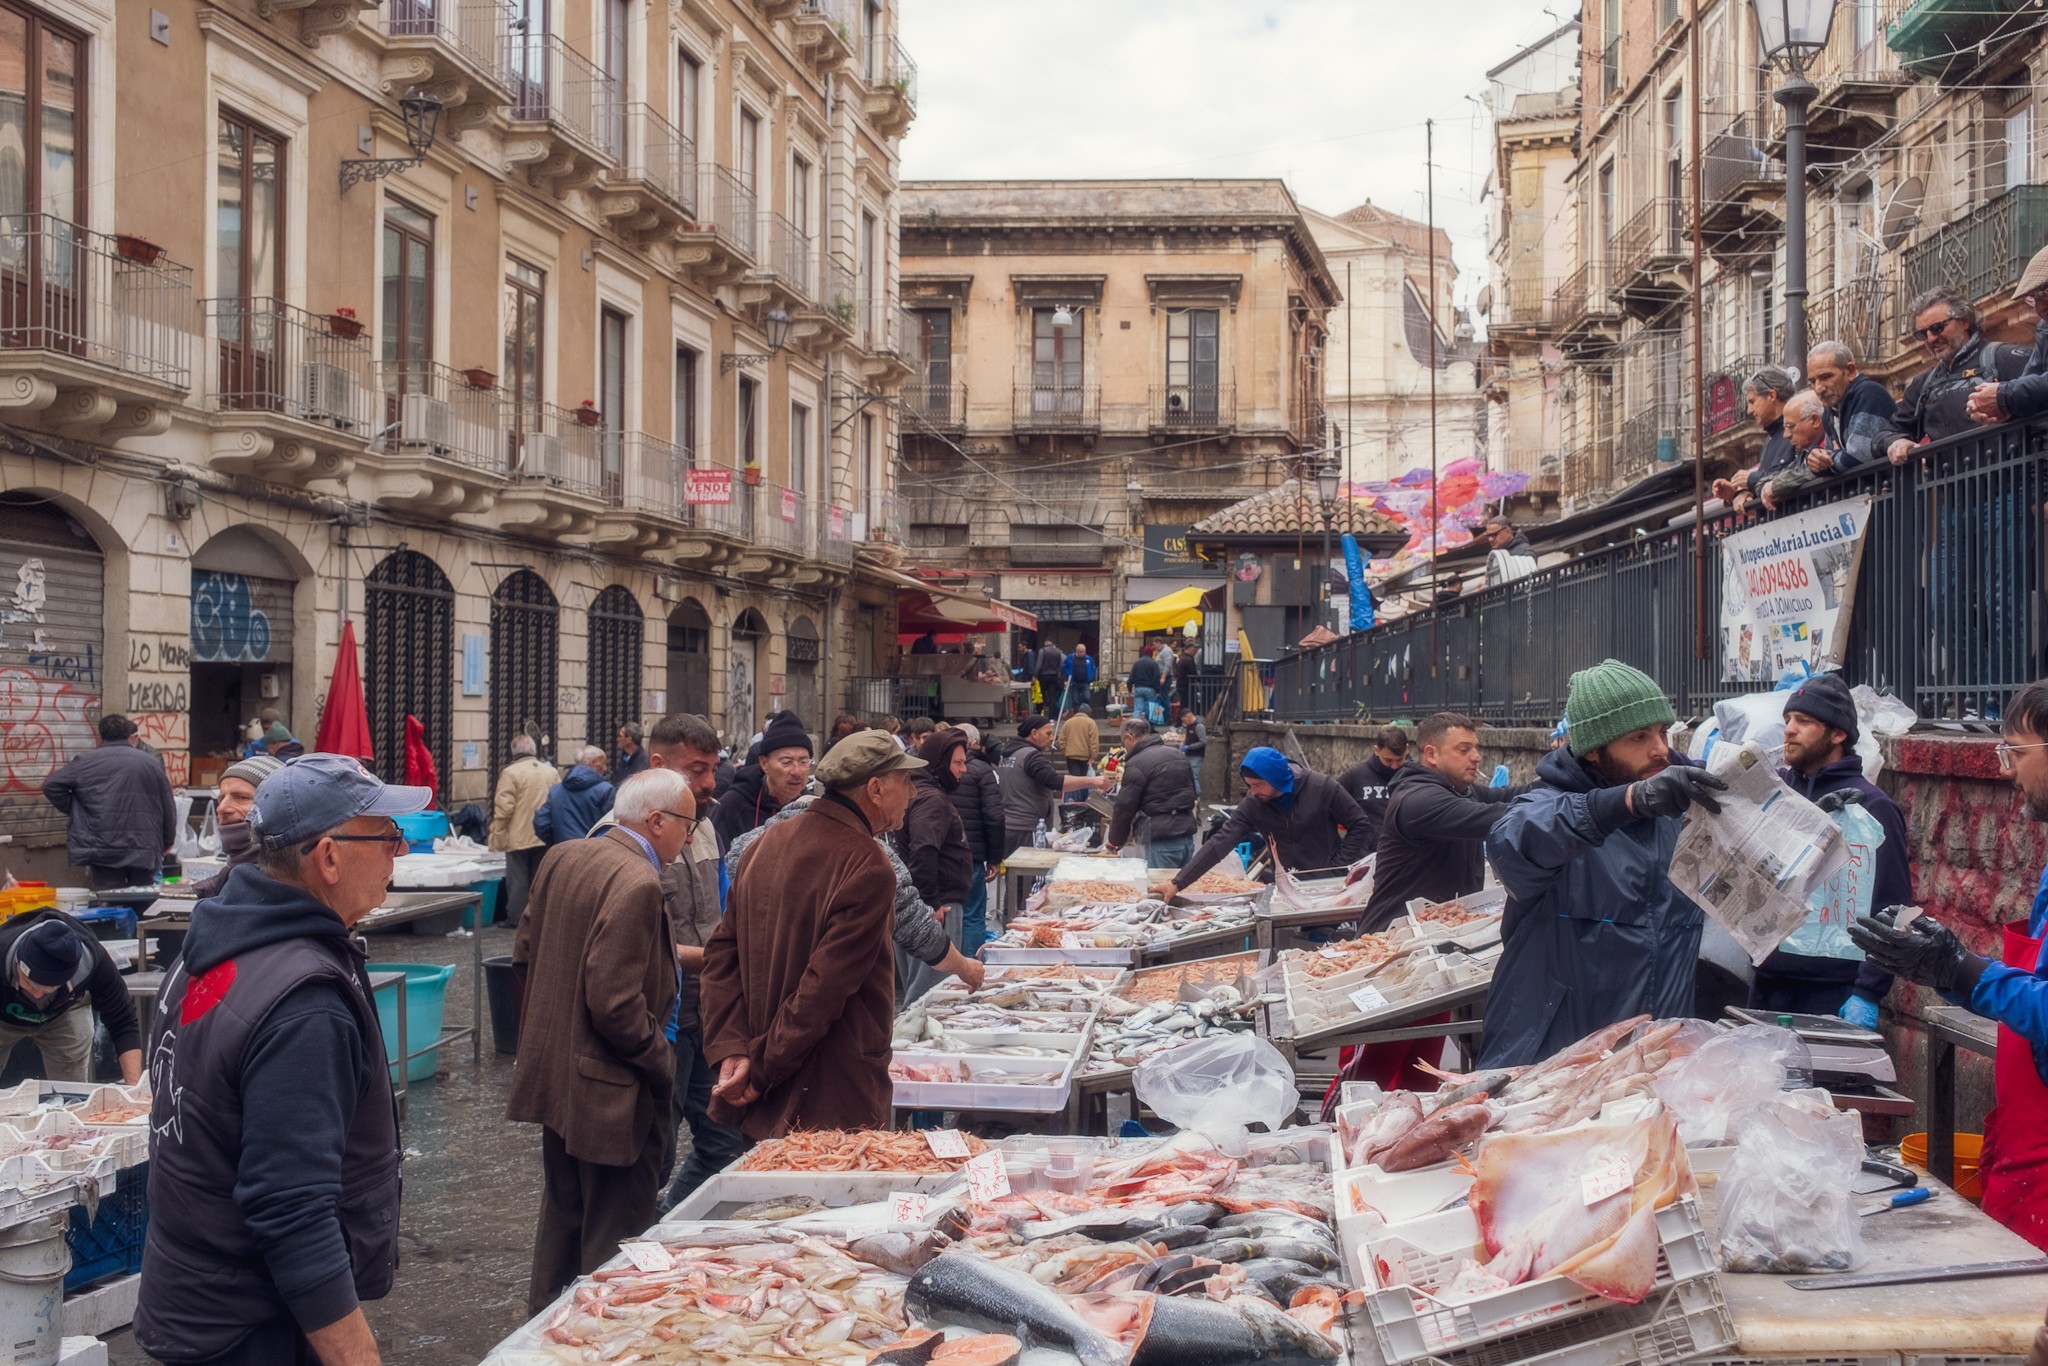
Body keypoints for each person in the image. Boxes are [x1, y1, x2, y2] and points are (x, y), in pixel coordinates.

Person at [138, 753, 430, 1365]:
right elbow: (290, 1208)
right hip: (252, 1327)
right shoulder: (304, 1003)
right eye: (386, 835)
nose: (398, 851)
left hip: (194, 1297)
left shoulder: (217, 939)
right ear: (327, 857)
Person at [1849, 679, 2048, 1249]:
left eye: (2017, 752)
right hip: (2022, 1144)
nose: (2007, 771)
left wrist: (1961, 970)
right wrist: (1946, 968)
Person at [1478, 660, 1728, 1068]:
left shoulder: (1680, 809)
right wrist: (1626, 802)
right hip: (1552, 1061)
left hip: (1653, 1060)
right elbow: (1514, 840)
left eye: (1663, 732)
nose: (1660, 749)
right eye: (1639, 737)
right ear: (1594, 747)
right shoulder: (1545, 803)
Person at [510, 769, 689, 1313]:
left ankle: (544, 1327)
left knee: (563, 1216)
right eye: (687, 822)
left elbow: (524, 954)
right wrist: (661, 1060)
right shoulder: (638, 882)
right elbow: (614, 1003)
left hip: (560, 1078)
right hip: (613, 1090)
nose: (690, 833)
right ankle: (599, 1334)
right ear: (655, 821)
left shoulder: (566, 855)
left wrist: (552, 1032)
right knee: (615, 1233)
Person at [700, 732, 919, 1140]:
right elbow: (821, 992)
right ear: (875, 788)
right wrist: (756, 1069)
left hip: (768, 1070)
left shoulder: (766, 842)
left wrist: (733, 1049)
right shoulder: (869, 865)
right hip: (830, 1087)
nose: (912, 792)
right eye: (905, 781)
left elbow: (720, 957)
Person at [584, 714, 745, 1214]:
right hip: (658, 1023)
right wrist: (711, 957)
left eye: (713, 769)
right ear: (657, 764)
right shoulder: (614, 842)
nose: (710, 783)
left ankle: (670, 1221)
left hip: (708, 1013)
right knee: (653, 1149)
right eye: (698, 770)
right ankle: (640, 1242)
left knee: (725, 1141)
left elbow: (720, 913)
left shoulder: (704, 828)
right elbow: (612, 950)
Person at [1748, 673, 1904, 1026]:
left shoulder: (1872, 808)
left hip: (1834, 991)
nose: (1789, 729)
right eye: (1787, 720)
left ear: (1838, 734)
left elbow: (1890, 908)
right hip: (1768, 985)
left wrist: (1867, 991)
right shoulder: (1777, 794)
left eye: (1803, 721)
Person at [1361, 714, 1525, 935]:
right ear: (1431, 754)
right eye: (1463, 749)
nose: (1476, 757)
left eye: (1476, 748)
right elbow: (1497, 817)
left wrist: (1564, 773)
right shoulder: (1418, 800)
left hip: (1437, 935)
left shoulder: (1463, 791)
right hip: (1393, 940)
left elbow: (1511, 796)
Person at [1152, 746, 1373, 899]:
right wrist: (1177, 883)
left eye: (1258, 785)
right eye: (1249, 785)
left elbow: (1360, 824)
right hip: (1286, 886)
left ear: (1277, 779)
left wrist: (1335, 867)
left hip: (1328, 885)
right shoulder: (1253, 803)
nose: (1252, 791)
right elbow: (1220, 842)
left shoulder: (1322, 787)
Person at [1877, 285, 2033, 462]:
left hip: (2012, 485)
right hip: (1952, 488)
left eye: (1937, 328)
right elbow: (1885, 433)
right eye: (1922, 334)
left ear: (1964, 321)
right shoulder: (1923, 384)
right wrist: (1895, 441)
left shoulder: (2004, 357)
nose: (1930, 339)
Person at [42, 712, 177, 891]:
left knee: (111, 898)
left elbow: (51, 785)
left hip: (102, 846)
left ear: (101, 735)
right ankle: (138, 918)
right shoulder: (150, 763)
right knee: (142, 896)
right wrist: (168, 839)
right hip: (144, 844)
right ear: (129, 734)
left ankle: (117, 919)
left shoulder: (85, 762)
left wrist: (78, 811)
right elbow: (167, 804)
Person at [0, 913, 141, 1083]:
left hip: (63, 1012)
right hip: (3, 1018)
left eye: (48, 989)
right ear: (18, 962)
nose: (37, 995)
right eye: (29, 984)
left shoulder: (94, 962)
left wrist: (135, 1091)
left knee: (71, 1091)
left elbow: (124, 1022)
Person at [894, 730, 974, 1001]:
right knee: (929, 994)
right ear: (940, 763)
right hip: (938, 908)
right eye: (958, 763)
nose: (963, 769)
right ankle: (910, 1042)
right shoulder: (932, 799)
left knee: (920, 988)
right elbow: (923, 849)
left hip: (925, 905)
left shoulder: (925, 793)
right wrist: (932, 903)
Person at [1002, 716, 1108, 858]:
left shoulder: (1008, 755)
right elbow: (1055, 782)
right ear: (1034, 733)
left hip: (1009, 827)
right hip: (1028, 828)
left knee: (1015, 874)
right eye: (1048, 733)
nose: (1052, 738)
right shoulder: (1032, 756)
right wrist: (1093, 781)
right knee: (1032, 875)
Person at [1103, 717, 1199, 870]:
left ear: (1129, 738)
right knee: (1180, 889)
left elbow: (1124, 808)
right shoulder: (1178, 755)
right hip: (1186, 837)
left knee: (1156, 890)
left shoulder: (1137, 763)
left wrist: (1116, 840)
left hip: (1159, 841)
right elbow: (1192, 794)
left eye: (1123, 742)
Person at [708, 711, 810, 852]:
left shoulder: (812, 807)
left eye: (803, 762)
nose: (797, 771)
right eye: (787, 762)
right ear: (764, 763)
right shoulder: (732, 806)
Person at [1968, 244, 2048, 424]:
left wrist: (2004, 396)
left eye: (2045, 292)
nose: (2039, 307)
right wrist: (2000, 408)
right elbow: (2031, 383)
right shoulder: (2045, 328)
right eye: (2033, 297)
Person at [186, 755, 283, 901]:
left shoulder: (287, 882)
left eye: (241, 797)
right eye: (220, 799)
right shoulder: (225, 880)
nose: (222, 808)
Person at [487, 735, 559, 925]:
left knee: (518, 879)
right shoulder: (550, 772)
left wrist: (497, 834)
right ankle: (540, 917)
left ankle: (517, 918)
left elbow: (504, 808)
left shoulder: (510, 773)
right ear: (534, 751)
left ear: (513, 752)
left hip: (518, 835)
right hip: (544, 834)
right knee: (540, 878)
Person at [948, 724, 1005, 951]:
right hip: (971, 855)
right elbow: (994, 817)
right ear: (974, 743)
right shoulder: (982, 770)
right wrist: (994, 857)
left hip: (946, 854)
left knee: (951, 912)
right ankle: (971, 966)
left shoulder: (937, 768)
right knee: (972, 914)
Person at [1710, 367, 1798, 515]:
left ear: (1771, 396)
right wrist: (1737, 494)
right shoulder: (1770, 438)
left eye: (1752, 401)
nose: (1749, 410)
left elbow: (1794, 474)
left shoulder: (1797, 429)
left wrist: (1751, 478)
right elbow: (1768, 489)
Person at [1804, 340, 1897, 473]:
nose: (1819, 388)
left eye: (1826, 377)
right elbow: (1828, 458)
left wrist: (1827, 462)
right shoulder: (1830, 410)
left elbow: (1859, 456)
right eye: (1813, 381)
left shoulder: (1869, 394)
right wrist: (1815, 460)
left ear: (1850, 371)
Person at [1338, 726, 1412, 853]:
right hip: (1366, 856)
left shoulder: (1415, 776)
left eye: (1399, 760)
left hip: (1405, 854)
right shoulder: (1355, 776)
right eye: (1388, 760)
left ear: (1407, 749)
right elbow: (1330, 808)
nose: (1394, 766)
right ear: (1377, 750)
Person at [1752, 390, 1830, 509]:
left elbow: (1815, 470)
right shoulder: (1802, 453)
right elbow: (1762, 484)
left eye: (1791, 426)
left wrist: (1776, 485)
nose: (1786, 435)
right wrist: (1769, 486)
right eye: (1785, 428)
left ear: (1815, 420)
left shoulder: (1831, 444)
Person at [532, 746, 613, 846]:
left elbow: (541, 823)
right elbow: (611, 826)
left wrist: (556, 843)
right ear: (592, 762)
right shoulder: (605, 790)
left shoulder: (556, 790)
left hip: (563, 850)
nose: (605, 768)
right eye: (603, 763)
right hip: (594, 852)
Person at [1058, 703, 1099, 778]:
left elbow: (1061, 740)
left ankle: (1075, 790)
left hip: (1071, 756)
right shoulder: (1091, 723)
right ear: (1089, 713)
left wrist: (1065, 751)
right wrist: (1093, 757)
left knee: (1074, 780)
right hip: (1085, 756)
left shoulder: (1068, 722)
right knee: (1083, 780)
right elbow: (1094, 742)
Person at [1129, 645, 1164, 725]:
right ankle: (1150, 727)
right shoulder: (1153, 663)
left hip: (1138, 688)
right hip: (1150, 689)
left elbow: (1131, 676)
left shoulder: (1137, 663)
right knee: (1151, 709)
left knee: (1138, 709)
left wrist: (1129, 688)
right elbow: (1156, 678)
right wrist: (1158, 690)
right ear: (1151, 653)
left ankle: (1135, 726)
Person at [1061, 642, 1096, 713]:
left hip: (1085, 682)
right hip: (1075, 683)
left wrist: (1091, 676)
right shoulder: (1070, 658)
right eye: (1080, 652)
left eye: (1083, 652)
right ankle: (1076, 713)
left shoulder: (1088, 658)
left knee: (1087, 697)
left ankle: (1086, 713)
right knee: (1075, 699)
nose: (1082, 653)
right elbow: (1064, 666)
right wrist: (1068, 674)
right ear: (1076, 651)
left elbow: (1093, 667)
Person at [1032, 639, 1065, 714]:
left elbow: (1038, 664)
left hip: (1043, 676)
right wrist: (1059, 677)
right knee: (1052, 696)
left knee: (1041, 695)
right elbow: (1060, 666)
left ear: (1045, 645)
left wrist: (1035, 676)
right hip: (1054, 677)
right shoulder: (1057, 652)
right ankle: (1051, 715)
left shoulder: (1042, 651)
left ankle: (1039, 712)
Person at [1181, 707, 1208, 791]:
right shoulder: (1190, 726)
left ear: (1188, 716)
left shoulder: (1199, 726)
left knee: (1193, 777)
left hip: (1196, 756)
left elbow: (1203, 742)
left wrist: (1189, 747)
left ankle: (1197, 798)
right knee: (1190, 777)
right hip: (1189, 754)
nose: (1184, 722)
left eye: (1184, 720)